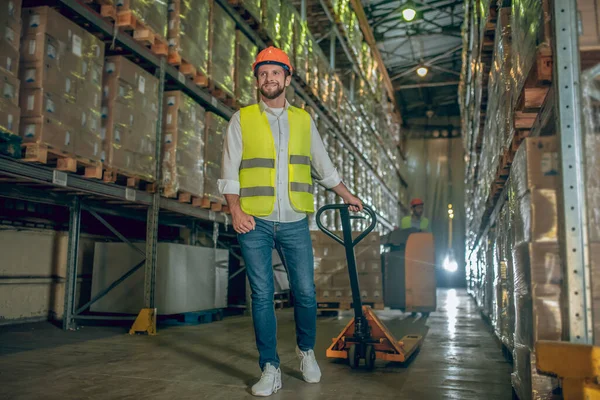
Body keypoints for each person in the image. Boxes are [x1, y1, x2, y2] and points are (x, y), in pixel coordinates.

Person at [218, 46, 363, 397]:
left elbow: (323, 166)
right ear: (257, 80)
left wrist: (348, 195)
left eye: (275, 73)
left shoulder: (303, 120)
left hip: (295, 217)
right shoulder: (242, 119)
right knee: (263, 294)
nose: (269, 78)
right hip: (254, 219)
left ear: (287, 78)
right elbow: (229, 170)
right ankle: (270, 366)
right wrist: (235, 210)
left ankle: (306, 351)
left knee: (306, 292)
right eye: (263, 73)